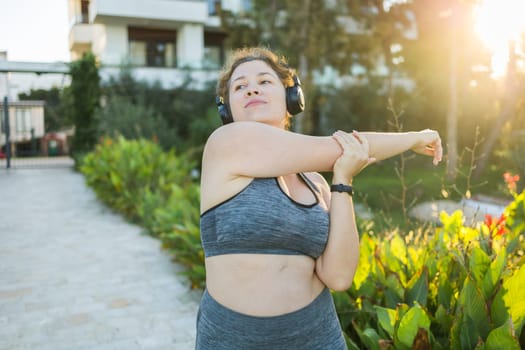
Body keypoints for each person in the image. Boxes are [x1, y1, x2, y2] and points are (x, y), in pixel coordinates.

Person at [196, 47, 442, 350]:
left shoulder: (315, 184)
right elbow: (342, 148)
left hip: (316, 335)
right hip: (234, 338)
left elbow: (338, 277)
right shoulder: (225, 144)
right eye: (239, 86)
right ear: (227, 110)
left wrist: (342, 182)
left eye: (264, 81)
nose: (252, 89)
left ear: (291, 98)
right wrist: (415, 137)